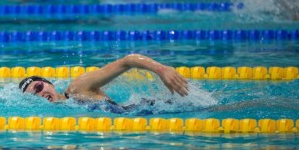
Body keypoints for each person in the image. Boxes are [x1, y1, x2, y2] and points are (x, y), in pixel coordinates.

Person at [18, 54, 189, 105]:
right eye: (34, 95)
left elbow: (127, 61)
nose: (40, 94)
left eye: (39, 87)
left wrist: (162, 70)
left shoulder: (76, 89)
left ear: (50, 83)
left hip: (150, 110)